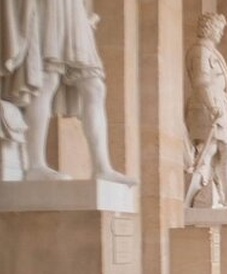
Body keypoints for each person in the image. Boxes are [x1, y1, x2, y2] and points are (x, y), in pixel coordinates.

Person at [1, 0, 134, 184]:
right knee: (47, 78)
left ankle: (102, 167)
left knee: (94, 87)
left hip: (73, 7)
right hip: (46, 6)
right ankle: (36, 164)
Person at [183, 12, 227, 210]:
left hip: (218, 104)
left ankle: (226, 196)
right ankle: (200, 193)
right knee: (210, 150)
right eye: (219, 29)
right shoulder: (200, 52)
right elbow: (201, 82)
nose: (221, 33)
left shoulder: (209, 51)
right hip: (206, 105)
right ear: (210, 28)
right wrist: (212, 106)